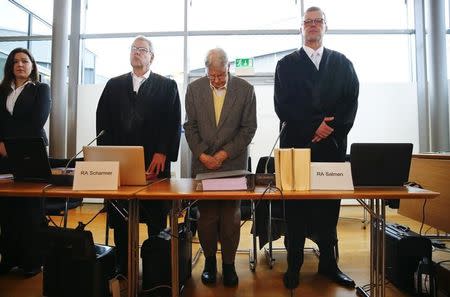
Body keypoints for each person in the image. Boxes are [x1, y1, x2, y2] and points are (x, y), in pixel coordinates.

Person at [274, 6, 359, 289]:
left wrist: (328, 129)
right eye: (307, 21)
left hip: (331, 149)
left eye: (317, 21)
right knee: (296, 210)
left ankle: (329, 264)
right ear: (301, 28)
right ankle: (294, 264)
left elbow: (350, 102)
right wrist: (314, 126)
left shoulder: (343, 63)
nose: (312, 25)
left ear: (326, 26)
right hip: (297, 148)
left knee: (328, 208)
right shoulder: (285, 65)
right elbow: (283, 106)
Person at [96, 36, 181, 275]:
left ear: (151, 57)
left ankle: (156, 267)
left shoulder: (167, 86)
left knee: (156, 218)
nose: (137, 53)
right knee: (121, 219)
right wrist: (107, 158)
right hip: (120, 164)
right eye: (134, 49)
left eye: (143, 50)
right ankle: (123, 265)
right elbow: (103, 123)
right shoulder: (114, 85)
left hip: (154, 162)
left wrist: (163, 151)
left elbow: (173, 122)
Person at [184, 48, 257, 287]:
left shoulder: (245, 90)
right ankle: (209, 262)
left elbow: (248, 129)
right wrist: (204, 155)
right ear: (206, 70)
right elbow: (190, 127)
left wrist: (223, 154)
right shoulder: (194, 90)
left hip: (233, 164)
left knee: (230, 217)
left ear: (229, 68)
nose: (216, 80)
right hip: (203, 164)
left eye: (221, 75)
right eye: (211, 75)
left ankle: (228, 264)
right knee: (206, 217)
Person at [0, 47, 51, 277]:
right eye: (15, 61)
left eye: (25, 61)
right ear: (10, 66)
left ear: (32, 65)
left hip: (31, 153)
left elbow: (37, 121)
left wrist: (10, 144)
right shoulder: (2, 91)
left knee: (30, 208)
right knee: (7, 209)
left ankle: (32, 261)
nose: (20, 65)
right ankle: (9, 258)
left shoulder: (41, 89)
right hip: (2, 154)